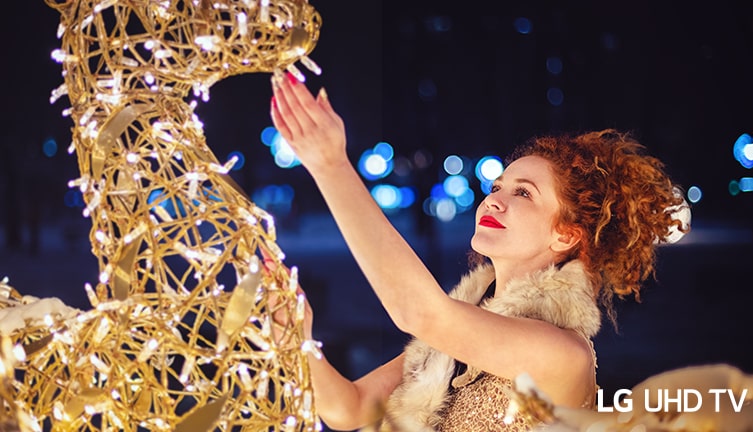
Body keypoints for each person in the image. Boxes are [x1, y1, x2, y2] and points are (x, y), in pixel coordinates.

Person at [267, 71, 689, 431]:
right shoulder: (452, 337)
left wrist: (331, 166)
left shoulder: (563, 354)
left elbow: (419, 312)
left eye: (524, 193)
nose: (494, 200)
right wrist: (295, 336)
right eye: (496, 187)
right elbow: (349, 407)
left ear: (565, 235)